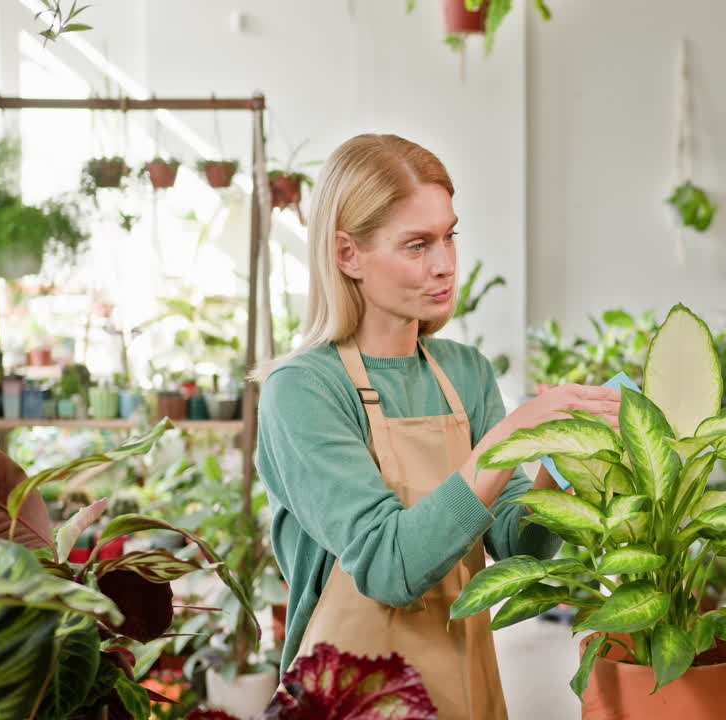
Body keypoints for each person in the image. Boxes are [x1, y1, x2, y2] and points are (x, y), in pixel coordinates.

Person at [252, 134, 620, 719]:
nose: (445, 263)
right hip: (351, 694)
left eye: (449, 235)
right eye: (417, 244)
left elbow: (518, 545)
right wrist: (508, 438)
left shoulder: (464, 372)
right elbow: (387, 567)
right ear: (348, 254)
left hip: (463, 688)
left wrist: (563, 457)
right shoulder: (302, 390)